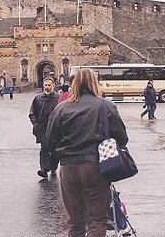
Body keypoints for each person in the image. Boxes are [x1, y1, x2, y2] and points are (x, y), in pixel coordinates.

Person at [45, 67, 129, 237]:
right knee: (97, 220)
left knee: (75, 222)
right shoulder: (106, 105)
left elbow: (49, 142)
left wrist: (64, 155)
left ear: (74, 84)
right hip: (95, 166)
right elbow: (122, 137)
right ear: (95, 83)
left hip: (68, 168)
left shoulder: (61, 108)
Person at [29, 77, 60, 179]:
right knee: (44, 148)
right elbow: (32, 113)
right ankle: (44, 170)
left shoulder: (58, 98)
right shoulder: (38, 98)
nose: (47, 87)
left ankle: (53, 167)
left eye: (49, 85)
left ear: (53, 86)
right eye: (45, 85)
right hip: (42, 128)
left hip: (55, 128)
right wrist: (35, 124)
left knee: (55, 150)